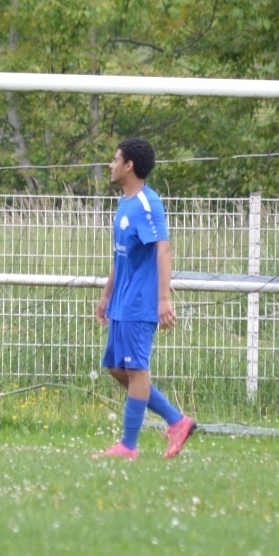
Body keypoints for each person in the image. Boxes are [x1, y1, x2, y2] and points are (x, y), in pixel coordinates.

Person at [95, 136, 196, 460]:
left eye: (115, 159)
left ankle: (128, 445)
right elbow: (120, 255)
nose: (110, 165)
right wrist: (106, 295)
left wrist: (163, 299)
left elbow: (163, 248)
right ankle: (177, 420)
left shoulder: (148, 204)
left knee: (137, 371)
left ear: (129, 165)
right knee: (115, 367)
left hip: (140, 303)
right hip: (121, 302)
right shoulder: (124, 203)